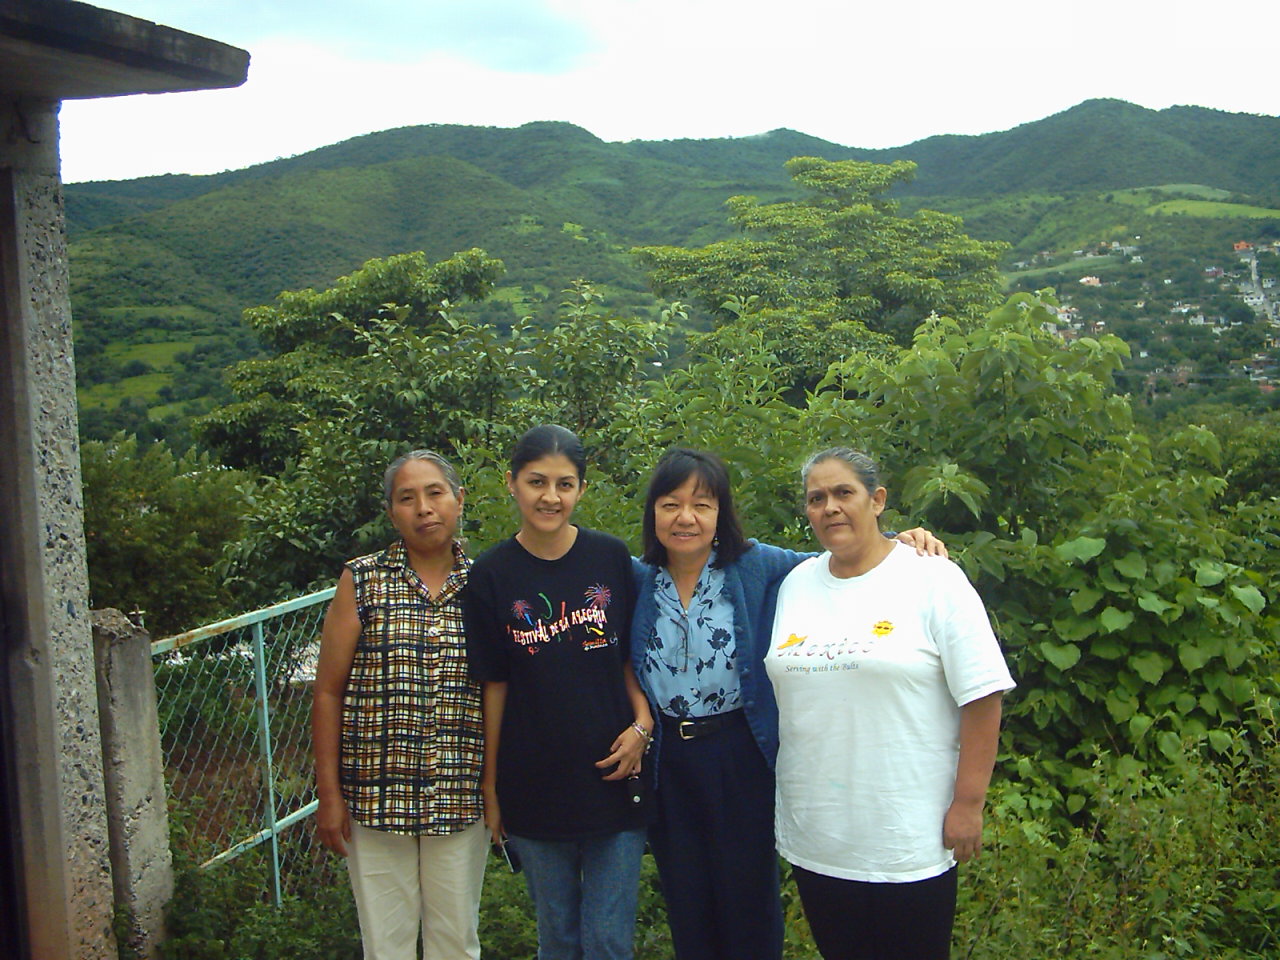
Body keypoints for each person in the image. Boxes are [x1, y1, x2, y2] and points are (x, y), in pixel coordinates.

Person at [629, 448, 946, 960]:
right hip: (669, 757)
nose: (685, 517)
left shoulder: (755, 566)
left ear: (720, 514)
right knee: (686, 898)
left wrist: (901, 541)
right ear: (653, 513)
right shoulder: (637, 579)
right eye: (670, 504)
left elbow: (842, 561)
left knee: (748, 899)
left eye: (702, 504)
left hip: (740, 752)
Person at [766, 448, 1016, 960]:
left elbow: (983, 695)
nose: (830, 507)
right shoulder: (796, 583)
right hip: (818, 834)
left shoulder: (933, 579)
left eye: (844, 493)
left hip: (905, 836)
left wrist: (969, 804)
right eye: (817, 499)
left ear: (877, 500)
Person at [464, 425, 653, 960]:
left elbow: (628, 656)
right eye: (537, 482)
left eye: (565, 484)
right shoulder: (492, 574)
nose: (551, 497)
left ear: (582, 490)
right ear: (512, 484)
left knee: (607, 941)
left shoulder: (611, 559)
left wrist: (643, 724)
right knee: (559, 939)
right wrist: (492, 786)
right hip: (534, 782)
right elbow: (495, 685)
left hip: (616, 775)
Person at [312, 449, 487, 960]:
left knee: (455, 941)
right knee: (385, 945)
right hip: (373, 794)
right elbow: (327, 692)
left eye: (435, 493)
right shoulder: (363, 580)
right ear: (391, 513)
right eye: (407, 498)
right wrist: (329, 794)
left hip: (459, 793)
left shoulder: (486, 586)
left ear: (459, 500)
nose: (424, 508)